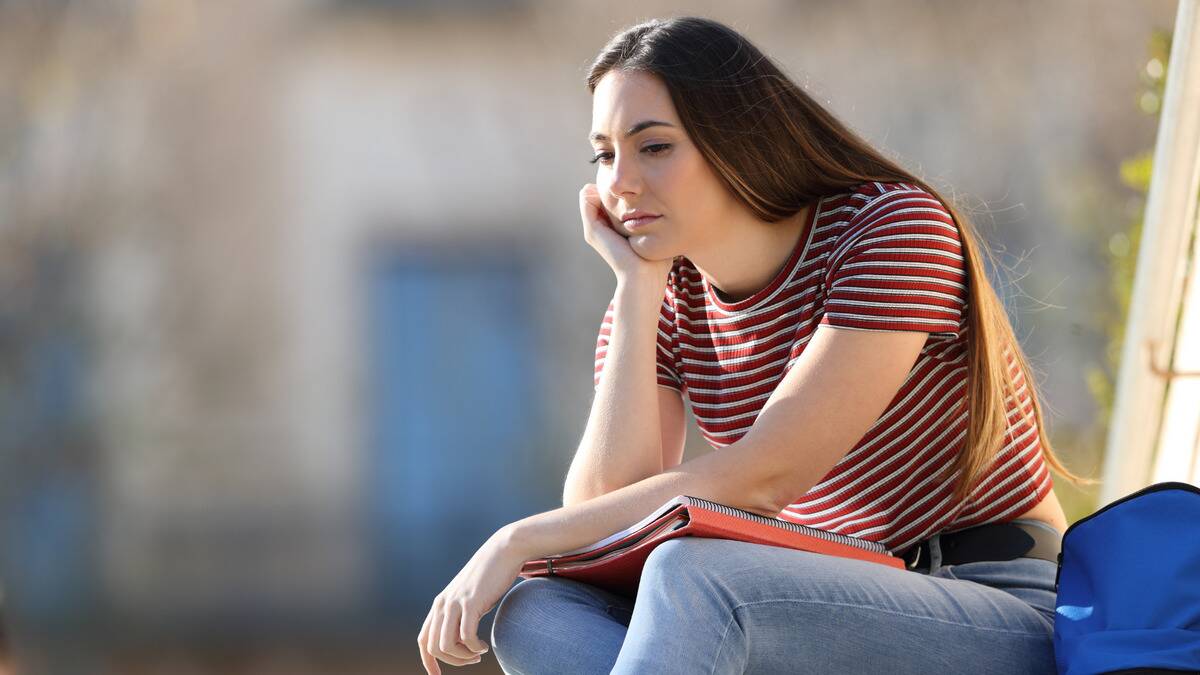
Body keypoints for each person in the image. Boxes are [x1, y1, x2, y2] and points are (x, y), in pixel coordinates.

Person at [416, 15, 1098, 675]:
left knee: (694, 575)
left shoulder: (890, 230)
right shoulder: (665, 299)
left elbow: (765, 477)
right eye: (604, 154)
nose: (619, 182)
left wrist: (517, 537)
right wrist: (634, 290)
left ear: (737, 138)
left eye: (653, 146)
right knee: (539, 611)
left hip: (995, 607)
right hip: (810, 603)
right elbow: (600, 521)